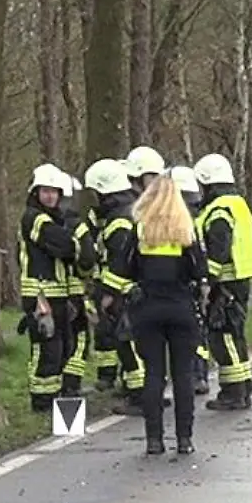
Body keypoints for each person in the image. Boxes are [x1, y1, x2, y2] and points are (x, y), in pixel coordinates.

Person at [100, 170, 205, 455]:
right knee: (183, 375)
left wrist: (108, 299)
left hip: (147, 308)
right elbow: (200, 271)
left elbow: (121, 269)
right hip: (181, 308)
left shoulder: (141, 230)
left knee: (153, 374)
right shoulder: (186, 231)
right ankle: (184, 440)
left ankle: (154, 440)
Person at [192, 153, 252, 410]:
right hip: (238, 278)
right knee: (235, 335)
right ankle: (243, 388)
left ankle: (234, 392)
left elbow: (218, 247)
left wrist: (207, 280)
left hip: (225, 282)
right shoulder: (236, 203)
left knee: (224, 336)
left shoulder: (219, 210)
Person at [86, 158, 147, 413]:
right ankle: (138, 391)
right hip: (132, 291)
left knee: (128, 343)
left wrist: (108, 294)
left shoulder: (119, 222)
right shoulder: (122, 213)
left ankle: (140, 396)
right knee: (130, 342)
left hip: (126, 293)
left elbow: (120, 263)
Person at [17, 163, 76, 411]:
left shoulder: (54, 218)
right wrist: (73, 243)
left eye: (54, 191)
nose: (50, 196)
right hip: (40, 296)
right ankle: (41, 401)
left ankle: (53, 397)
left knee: (63, 348)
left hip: (58, 295)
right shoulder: (34, 218)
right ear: (36, 193)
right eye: (45, 191)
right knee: (46, 350)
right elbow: (64, 246)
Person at [169, 165, 213, 396]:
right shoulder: (181, 221)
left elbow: (198, 255)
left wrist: (203, 281)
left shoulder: (190, 221)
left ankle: (198, 375)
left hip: (189, 285)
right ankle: (194, 375)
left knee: (196, 333)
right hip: (183, 284)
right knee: (193, 333)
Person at [56, 171, 97, 395]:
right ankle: (71, 385)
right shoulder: (77, 226)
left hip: (45, 292)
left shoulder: (38, 224)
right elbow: (88, 258)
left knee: (54, 342)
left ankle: (53, 388)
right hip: (73, 291)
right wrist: (85, 274)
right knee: (79, 339)